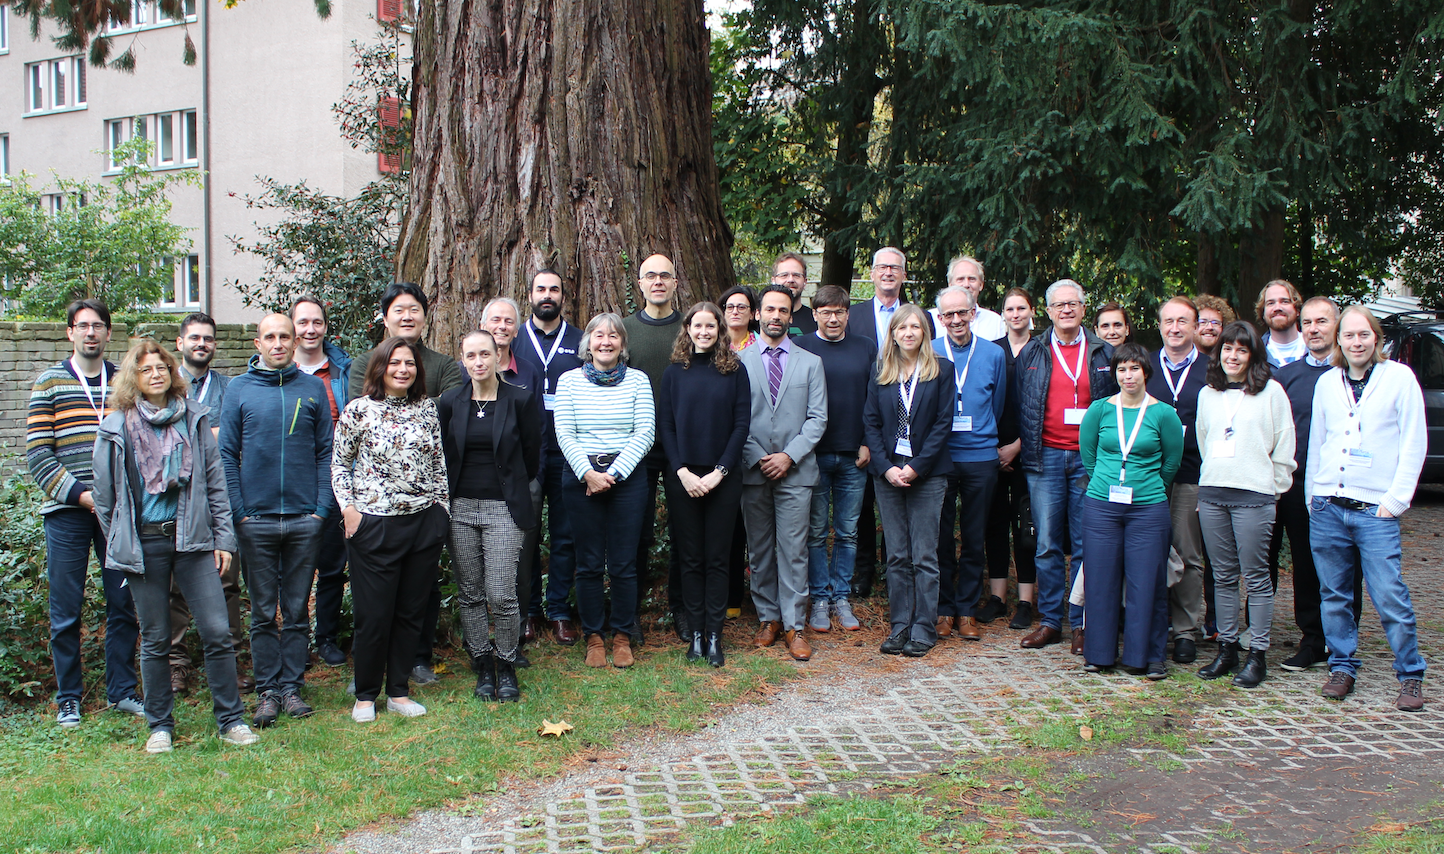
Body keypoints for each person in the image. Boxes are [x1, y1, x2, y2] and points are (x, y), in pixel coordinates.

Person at [92, 340, 258, 752]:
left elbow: (216, 483)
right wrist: (122, 542)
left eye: (161, 367)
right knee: (155, 638)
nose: (155, 374)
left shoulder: (195, 418)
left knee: (217, 631)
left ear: (172, 372)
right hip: (145, 544)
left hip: (194, 541)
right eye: (146, 369)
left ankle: (231, 720)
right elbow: (105, 498)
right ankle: (160, 726)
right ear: (133, 378)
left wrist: (223, 538)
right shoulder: (116, 427)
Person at [27, 299, 141, 727]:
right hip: (67, 511)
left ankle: (122, 691)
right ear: (70, 332)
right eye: (82, 326)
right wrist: (82, 496)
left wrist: (117, 497)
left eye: (98, 326)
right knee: (66, 609)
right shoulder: (50, 383)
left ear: (109, 333)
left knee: (123, 602)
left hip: (118, 513)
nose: (90, 333)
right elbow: (39, 455)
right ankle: (69, 699)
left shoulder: (124, 381)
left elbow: (140, 445)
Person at [1309, 307, 1428, 710]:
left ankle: (1410, 674)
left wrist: (1396, 500)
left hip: (1375, 509)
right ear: (1339, 341)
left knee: (1389, 594)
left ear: (1376, 337)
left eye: (1364, 334)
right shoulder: (1327, 382)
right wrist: (1313, 496)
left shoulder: (1399, 379)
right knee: (1334, 595)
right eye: (1349, 335)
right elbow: (1318, 441)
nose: (1356, 342)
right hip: (1328, 506)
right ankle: (1342, 666)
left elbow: (1414, 441)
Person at [219, 314, 334, 728]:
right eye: (270, 336)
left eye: (285, 336)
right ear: (258, 343)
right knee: (264, 613)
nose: (279, 343)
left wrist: (320, 509)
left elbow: (326, 452)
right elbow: (226, 454)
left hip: (304, 519)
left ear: (294, 341)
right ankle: (268, 691)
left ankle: (292, 687)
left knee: (297, 611)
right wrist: (240, 512)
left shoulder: (312, 388)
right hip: (256, 521)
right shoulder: (239, 389)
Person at [349, 282, 464, 685]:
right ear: (385, 318)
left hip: (422, 510)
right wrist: (350, 509)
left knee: (418, 594)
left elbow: (446, 421)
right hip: (375, 512)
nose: (407, 316)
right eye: (399, 309)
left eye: (414, 309)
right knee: (374, 601)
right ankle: (369, 673)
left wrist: (441, 510)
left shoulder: (443, 369)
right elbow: (357, 432)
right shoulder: (363, 370)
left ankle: (413, 664)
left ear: (425, 316)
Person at [333, 337, 450, 722]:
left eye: (409, 363)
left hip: (423, 524)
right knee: (374, 615)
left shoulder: (427, 409)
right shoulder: (358, 410)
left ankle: (398, 692)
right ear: (380, 368)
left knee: (410, 612)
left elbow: (438, 464)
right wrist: (350, 511)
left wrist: (441, 511)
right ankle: (366, 696)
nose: (403, 369)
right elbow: (340, 464)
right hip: (374, 525)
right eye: (395, 362)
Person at [438, 330, 542, 702]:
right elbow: (444, 453)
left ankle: (507, 662)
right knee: (470, 592)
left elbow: (531, 456)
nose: (479, 361)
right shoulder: (449, 401)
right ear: (463, 360)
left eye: (485, 353)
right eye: (471, 355)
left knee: (501, 592)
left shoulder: (520, 399)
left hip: (504, 508)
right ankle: (482, 662)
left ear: (498, 356)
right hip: (461, 509)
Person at [1016, 279, 1118, 654]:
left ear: (1083, 309)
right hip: (1044, 456)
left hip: (1090, 459)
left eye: (1073, 303)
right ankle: (1049, 622)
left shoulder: (1104, 352)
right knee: (1046, 544)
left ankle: (1082, 623)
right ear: (1048, 311)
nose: (1066, 310)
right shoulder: (1033, 351)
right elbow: (1021, 402)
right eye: (1059, 305)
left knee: (1086, 543)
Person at [1194, 321, 1295, 689]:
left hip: (1254, 496)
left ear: (1253, 355)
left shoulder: (1271, 392)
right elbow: (1204, 440)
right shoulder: (1208, 394)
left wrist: (1272, 488)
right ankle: (1227, 649)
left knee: (1255, 577)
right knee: (1222, 576)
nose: (1232, 356)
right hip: (1214, 495)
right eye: (1227, 348)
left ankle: (1258, 654)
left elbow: (1284, 445)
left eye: (1241, 349)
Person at [555, 313, 656, 668]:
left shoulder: (638, 381)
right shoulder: (569, 381)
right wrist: (588, 474)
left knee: (624, 563)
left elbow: (645, 432)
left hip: (626, 479)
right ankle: (594, 637)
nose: (606, 342)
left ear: (623, 344)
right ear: (588, 342)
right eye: (599, 335)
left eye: (614, 336)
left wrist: (611, 474)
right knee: (588, 563)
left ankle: (623, 635)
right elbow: (564, 432)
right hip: (580, 477)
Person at [1078, 343, 1184, 679]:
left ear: (1145, 372)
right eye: (1122, 369)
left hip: (1147, 509)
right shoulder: (1099, 410)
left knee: (1147, 583)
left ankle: (1148, 657)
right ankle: (1099, 654)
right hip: (1102, 506)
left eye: (1134, 368)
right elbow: (1089, 456)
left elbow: (1171, 462)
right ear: (1115, 374)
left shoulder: (1164, 414)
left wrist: (1146, 486)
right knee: (1100, 581)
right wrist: (1106, 481)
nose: (1128, 375)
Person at [1271, 297, 1360, 671]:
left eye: (1322, 321)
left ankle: (1343, 640)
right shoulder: (1286, 377)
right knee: (1305, 564)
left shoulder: (1354, 377)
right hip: (1297, 485)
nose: (1313, 329)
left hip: (1345, 486)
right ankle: (1312, 639)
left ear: (1336, 325)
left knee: (1344, 566)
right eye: (1307, 322)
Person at [740, 285, 828, 661]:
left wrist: (788, 456)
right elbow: (734, 418)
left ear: (792, 317)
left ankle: (794, 625)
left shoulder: (810, 363)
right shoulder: (739, 362)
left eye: (783, 310)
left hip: (796, 471)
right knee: (759, 549)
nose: (776, 316)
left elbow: (818, 418)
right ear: (757, 314)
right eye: (770, 309)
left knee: (793, 551)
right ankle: (768, 618)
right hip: (753, 469)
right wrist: (759, 456)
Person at [658, 303, 750, 666]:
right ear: (688, 330)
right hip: (683, 478)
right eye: (698, 326)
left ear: (720, 330)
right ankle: (695, 634)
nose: (704, 332)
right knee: (691, 558)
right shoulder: (673, 373)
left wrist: (719, 472)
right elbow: (666, 426)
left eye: (711, 326)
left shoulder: (735, 371)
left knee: (717, 558)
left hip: (722, 478)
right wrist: (682, 471)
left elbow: (741, 425)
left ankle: (715, 636)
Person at [865, 305, 954, 657]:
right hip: (888, 473)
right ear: (893, 333)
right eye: (902, 327)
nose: (909, 333)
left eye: (915, 327)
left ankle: (924, 628)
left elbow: (943, 424)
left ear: (925, 332)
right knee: (897, 555)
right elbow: (871, 423)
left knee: (924, 555)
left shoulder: (941, 370)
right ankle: (900, 625)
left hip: (927, 473)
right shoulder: (881, 371)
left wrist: (917, 466)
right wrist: (885, 467)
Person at [845, 247, 932, 596]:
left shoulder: (918, 315)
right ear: (871, 273)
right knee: (866, 503)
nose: (888, 273)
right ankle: (865, 570)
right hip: (871, 422)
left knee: (902, 501)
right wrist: (865, 437)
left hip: (911, 427)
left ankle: (894, 569)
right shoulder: (854, 315)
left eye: (895, 268)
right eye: (882, 267)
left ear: (904, 275)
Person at [168, 311, 246, 696]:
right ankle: (176, 666)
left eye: (208, 339)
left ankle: (231, 662)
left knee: (226, 581)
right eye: (195, 337)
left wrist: (203, 435)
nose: (202, 344)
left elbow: (234, 438)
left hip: (219, 497)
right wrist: (208, 434)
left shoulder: (230, 389)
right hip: (174, 500)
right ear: (180, 343)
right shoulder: (165, 385)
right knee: (173, 587)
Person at [794, 285, 875, 633]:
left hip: (854, 456)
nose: (832, 318)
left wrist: (868, 442)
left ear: (847, 314)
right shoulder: (801, 346)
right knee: (814, 532)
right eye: (825, 312)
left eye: (839, 311)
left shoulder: (865, 347)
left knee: (847, 532)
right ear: (814, 314)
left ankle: (841, 596)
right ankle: (819, 599)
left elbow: (875, 399)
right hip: (813, 456)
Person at [513, 270, 585, 645]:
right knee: (525, 534)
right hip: (525, 451)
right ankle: (527, 611)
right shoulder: (513, 339)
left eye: (554, 289)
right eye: (540, 289)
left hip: (568, 450)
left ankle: (559, 610)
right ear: (530, 295)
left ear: (562, 297)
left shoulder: (580, 340)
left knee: (565, 534)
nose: (547, 295)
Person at [932, 286, 1007, 641]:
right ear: (940, 318)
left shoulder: (993, 354)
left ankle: (967, 610)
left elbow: (998, 403)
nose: (956, 319)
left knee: (975, 538)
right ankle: (944, 609)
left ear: (973, 313)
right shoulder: (931, 351)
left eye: (962, 312)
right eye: (949, 314)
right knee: (941, 539)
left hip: (980, 457)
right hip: (941, 458)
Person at [621, 254, 685, 638]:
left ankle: (681, 609)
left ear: (675, 283)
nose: (658, 281)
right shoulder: (625, 330)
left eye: (665, 275)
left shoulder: (690, 328)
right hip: (637, 448)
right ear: (640, 284)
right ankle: (629, 614)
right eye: (650, 276)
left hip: (682, 448)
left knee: (683, 532)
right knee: (636, 534)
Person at [290, 296, 354, 669]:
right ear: (293, 327)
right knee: (294, 566)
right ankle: (295, 640)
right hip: (293, 480)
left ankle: (327, 637)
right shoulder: (281, 371)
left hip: (334, 479)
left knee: (331, 565)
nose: (310, 329)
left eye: (317, 322)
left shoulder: (343, 370)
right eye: (303, 322)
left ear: (326, 327)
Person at [1146, 297, 1209, 665]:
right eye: (1168, 321)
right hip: (1148, 474)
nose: (1174, 328)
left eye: (1182, 321)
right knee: (1147, 550)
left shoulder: (1212, 369)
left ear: (1195, 326)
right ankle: (1152, 622)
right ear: (1159, 325)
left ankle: (1185, 630)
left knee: (1187, 553)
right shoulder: (1145, 366)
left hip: (1191, 472)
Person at [480, 297, 547, 646]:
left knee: (520, 556)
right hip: (477, 482)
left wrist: (534, 477)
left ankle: (517, 626)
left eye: (508, 321)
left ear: (516, 329)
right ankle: (480, 629)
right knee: (476, 557)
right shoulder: (466, 369)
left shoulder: (529, 372)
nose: (501, 326)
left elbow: (538, 430)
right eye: (495, 320)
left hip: (521, 480)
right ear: (484, 325)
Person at [982, 287, 1037, 629]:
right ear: (1002, 314)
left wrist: (1018, 445)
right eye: (1010, 309)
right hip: (991, 450)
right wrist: (993, 448)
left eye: (1021, 308)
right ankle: (998, 597)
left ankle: (1026, 601)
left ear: (1032, 312)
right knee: (995, 523)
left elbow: (1045, 405)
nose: (1015, 314)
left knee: (1025, 525)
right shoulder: (992, 351)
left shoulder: (1043, 350)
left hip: (1028, 451)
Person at [720, 284, 760, 617]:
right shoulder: (712, 348)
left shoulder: (762, 348)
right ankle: (731, 597)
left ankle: (762, 599)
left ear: (753, 313)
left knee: (756, 528)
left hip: (760, 445)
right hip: (726, 448)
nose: (735, 311)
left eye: (742, 306)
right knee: (731, 527)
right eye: (730, 306)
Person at [942, 256, 1006, 342]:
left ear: (981, 285)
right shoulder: (933, 319)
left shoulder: (995, 322)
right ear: (950, 285)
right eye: (960, 279)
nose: (966, 284)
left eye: (972, 279)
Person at [1257, 279, 1306, 367]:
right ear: (1263, 313)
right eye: (1270, 303)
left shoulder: (1315, 348)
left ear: (1297, 310)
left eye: (1285, 301)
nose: (1277, 308)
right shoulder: (1255, 353)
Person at [772, 252, 817, 337]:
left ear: (805, 281)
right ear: (773, 281)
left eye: (796, 275)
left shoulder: (816, 319)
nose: (790, 280)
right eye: (784, 275)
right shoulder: (760, 320)